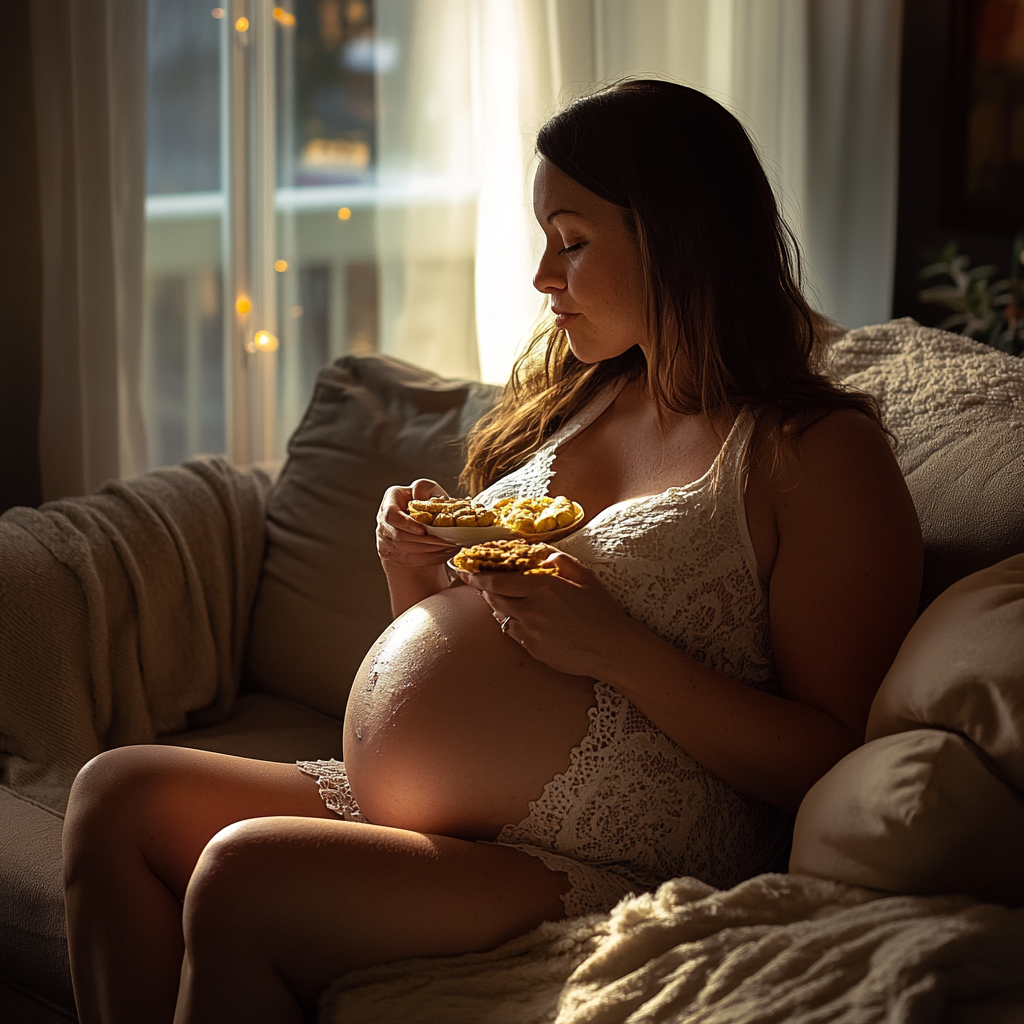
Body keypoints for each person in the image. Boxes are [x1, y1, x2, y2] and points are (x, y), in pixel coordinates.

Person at [62, 80, 923, 1024]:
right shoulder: (588, 393)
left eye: (573, 240)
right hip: (444, 810)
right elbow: (475, 664)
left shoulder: (813, 451)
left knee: (240, 877)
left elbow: (834, 755)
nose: (544, 277)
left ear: (678, 234)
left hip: (616, 857)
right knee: (116, 797)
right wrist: (419, 580)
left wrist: (620, 651)